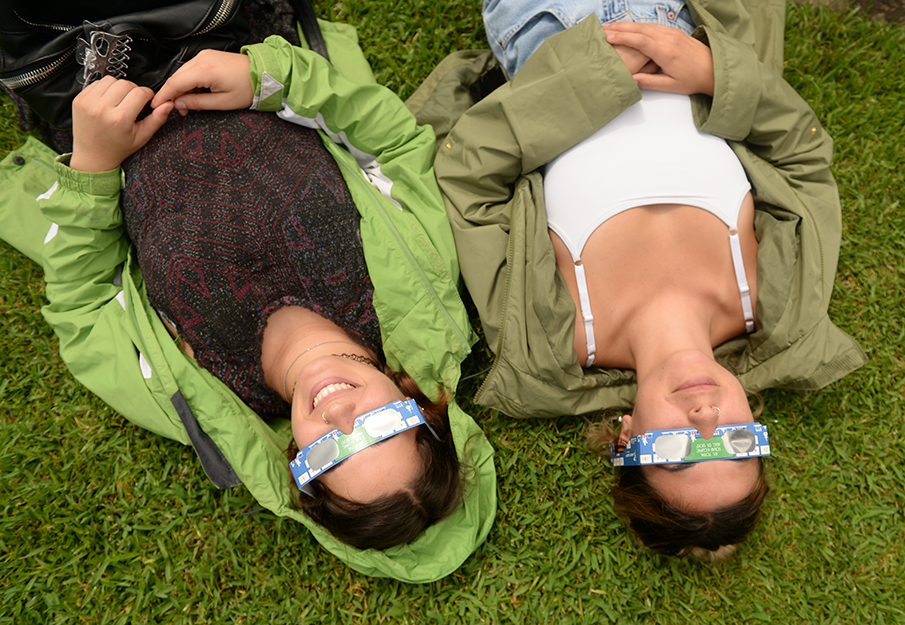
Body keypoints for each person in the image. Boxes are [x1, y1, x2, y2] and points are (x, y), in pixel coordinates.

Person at [0, 22, 495, 582]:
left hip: (85, 89)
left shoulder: (192, 391)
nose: (336, 416)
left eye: (329, 455)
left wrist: (93, 164)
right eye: (376, 430)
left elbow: (84, 303)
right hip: (226, 29)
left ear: (298, 469)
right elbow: (393, 148)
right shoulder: (409, 288)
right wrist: (268, 80)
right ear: (421, 407)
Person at [431, 0, 865, 557]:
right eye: (734, 443)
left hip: (553, 29)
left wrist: (596, 74)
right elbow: (802, 157)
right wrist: (713, 73)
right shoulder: (778, 302)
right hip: (700, 19)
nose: (705, 417)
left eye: (679, 451)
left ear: (628, 437)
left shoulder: (547, 336)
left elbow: (470, 180)